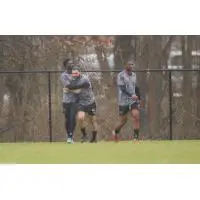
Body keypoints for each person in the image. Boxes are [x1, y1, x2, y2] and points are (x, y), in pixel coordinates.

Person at [66, 65, 98, 143]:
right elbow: (69, 86)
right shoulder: (72, 79)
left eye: (76, 73)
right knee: (80, 118)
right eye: (73, 73)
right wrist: (69, 87)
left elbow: (74, 87)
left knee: (93, 121)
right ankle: (84, 135)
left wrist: (69, 88)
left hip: (90, 102)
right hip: (81, 102)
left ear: (79, 72)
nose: (74, 75)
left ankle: (94, 138)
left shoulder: (85, 79)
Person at [112, 60, 141, 142]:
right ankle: (115, 131)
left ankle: (136, 138)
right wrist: (131, 95)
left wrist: (139, 98)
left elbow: (136, 87)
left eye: (132, 64)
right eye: (129, 64)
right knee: (123, 121)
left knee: (136, 116)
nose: (131, 66)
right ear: (125, 65)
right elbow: (122, 88)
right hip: (123, 101)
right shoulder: (121, 75)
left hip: (133, 101)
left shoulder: (134, 75)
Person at [60, 59, 78, 144]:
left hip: (75, 100)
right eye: (69, 63)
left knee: (73, 119)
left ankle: (71, 136)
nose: (71, 65)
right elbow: (68, 86)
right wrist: (73, 88)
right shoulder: (64, 75)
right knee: (67, 119)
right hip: (66, 101)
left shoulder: (76, 74)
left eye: (72, 63)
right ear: (65, 65)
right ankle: (69, 136)